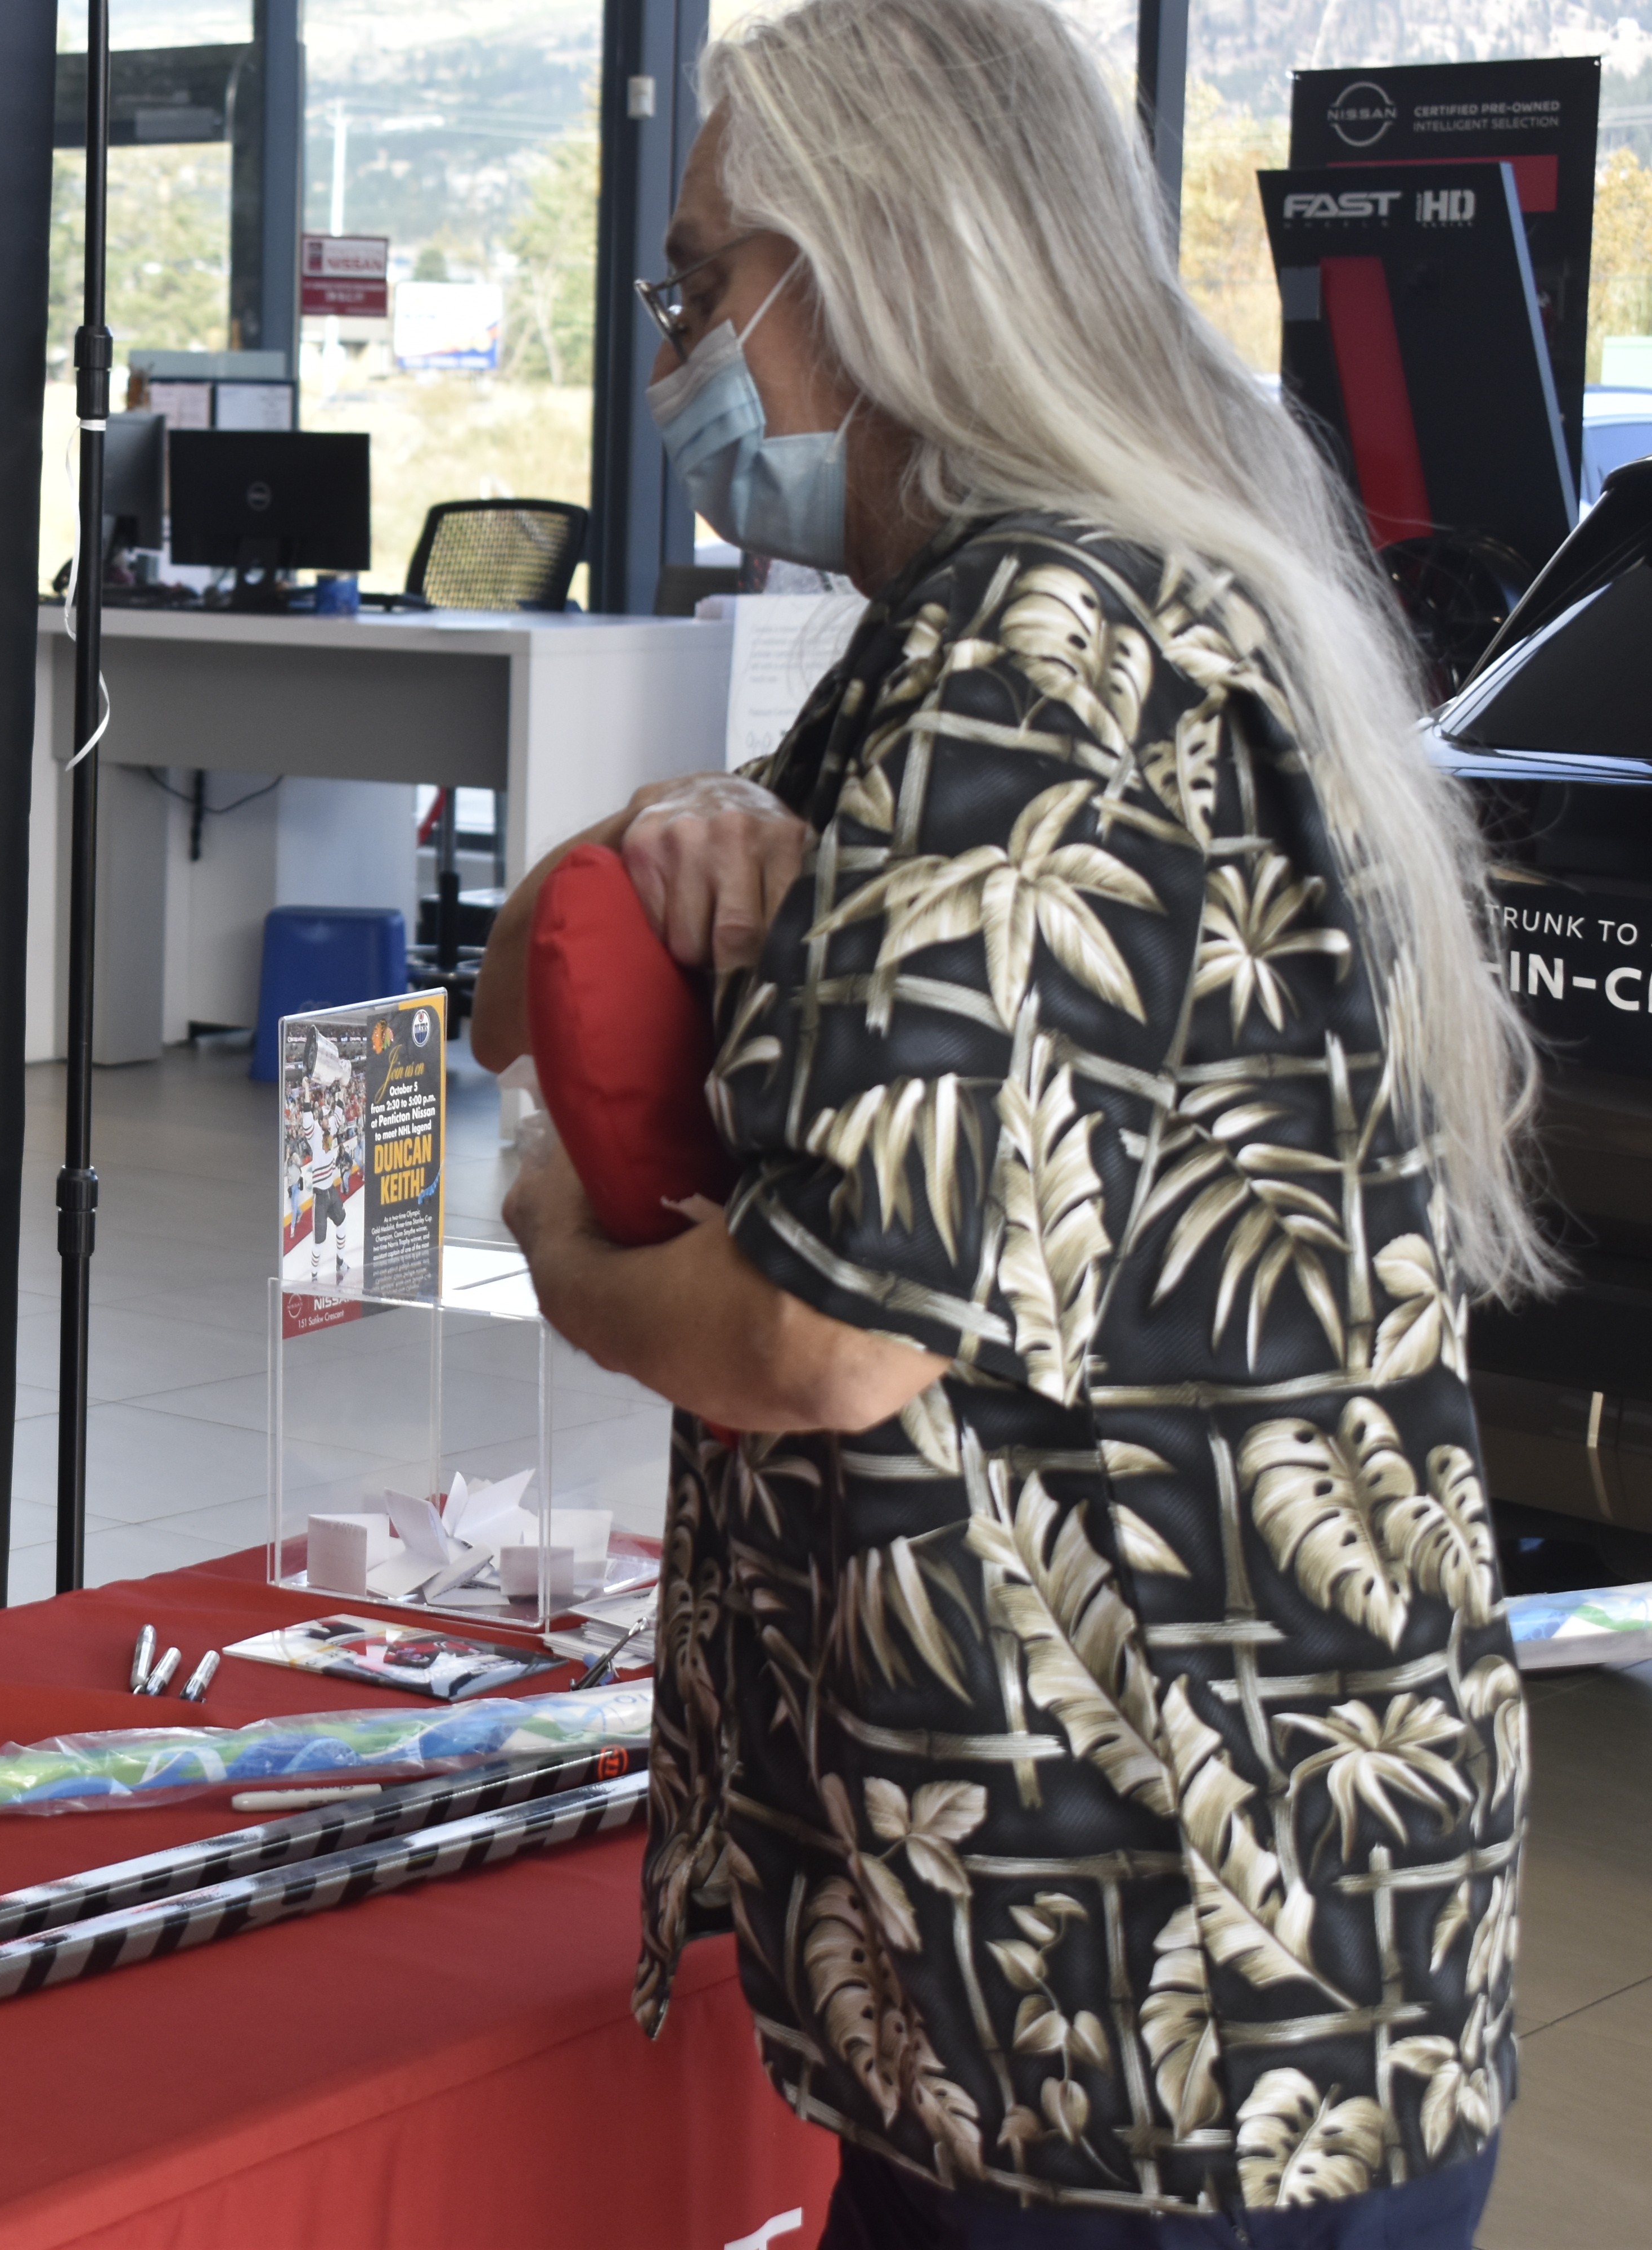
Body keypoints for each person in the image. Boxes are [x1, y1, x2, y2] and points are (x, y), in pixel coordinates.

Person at [467, 2, 1538, 2239]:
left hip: (1123, 2000)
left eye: (696, 286)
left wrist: (558, 1239)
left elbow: (823, 1337)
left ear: (866, 271)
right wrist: (697, 827)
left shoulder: (1028, 656)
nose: (677, 349)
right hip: (1258, 1949)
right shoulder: (1115, 602)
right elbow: (550, 974)